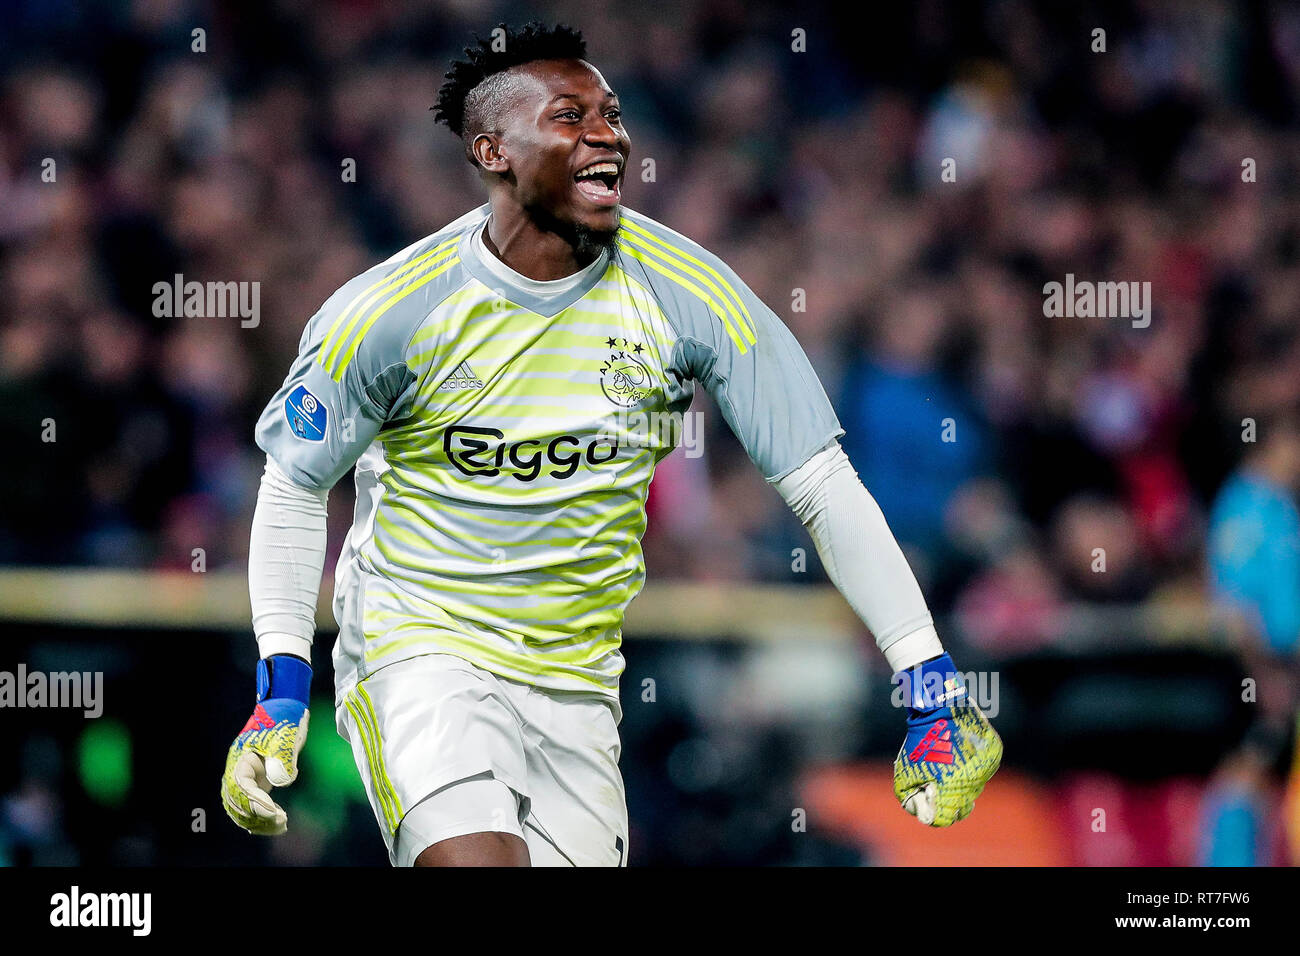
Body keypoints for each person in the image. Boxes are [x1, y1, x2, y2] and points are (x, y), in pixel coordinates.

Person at [219, 21, 1001, 866]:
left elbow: (820, 482)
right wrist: (283, 685)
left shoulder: (691, 293)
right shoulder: (388, 312)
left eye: (613, 115)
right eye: (570, 117)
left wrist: (929, 678)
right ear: (494, 152)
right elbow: (295, 486)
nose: (608, 137)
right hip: (422, 649)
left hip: (580, 685)